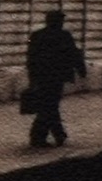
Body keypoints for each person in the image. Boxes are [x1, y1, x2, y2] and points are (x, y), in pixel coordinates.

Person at [24, 10, 87, 147]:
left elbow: (30, 58)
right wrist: (81, 70)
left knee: (48, 105)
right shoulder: (64, 35)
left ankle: (55, 135)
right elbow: (74, 54)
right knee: (50, 105)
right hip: (57, 77)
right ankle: (42, 137)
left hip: (41, 76)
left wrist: (31, 77)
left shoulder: (36, 35)